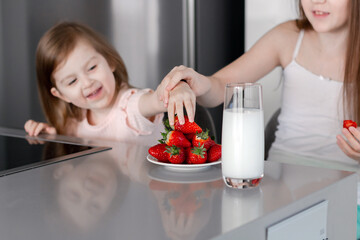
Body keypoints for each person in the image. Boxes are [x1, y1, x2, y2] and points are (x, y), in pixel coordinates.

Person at [157, 0, 360, 236]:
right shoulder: (288, 37)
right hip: (281, 186)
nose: (318, 0)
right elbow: (220, 86)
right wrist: (191, 82)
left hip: (348, 192)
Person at [24, 22, 195, 143]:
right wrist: (48, 135)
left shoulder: (131, 107)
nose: (87, 83)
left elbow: (156, 100)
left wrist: (177, 89)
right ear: (61, 95)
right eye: (72, 81)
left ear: (110, 61)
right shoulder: (75, 122)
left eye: (91, 68)